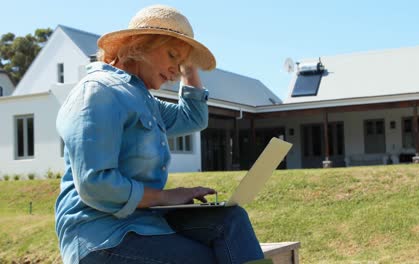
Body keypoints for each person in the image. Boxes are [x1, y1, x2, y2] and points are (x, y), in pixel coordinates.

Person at [55, 5, 266, 264]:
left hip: (145, 223)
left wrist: (189, 62)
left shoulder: (144, 100)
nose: (176, 72)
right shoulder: (98, 92)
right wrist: (168, 196)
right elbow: (95, 183)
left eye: (181, 63)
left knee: (231, 219)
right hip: (100, 236)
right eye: (171, 55)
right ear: (138, 44)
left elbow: (193, 117)